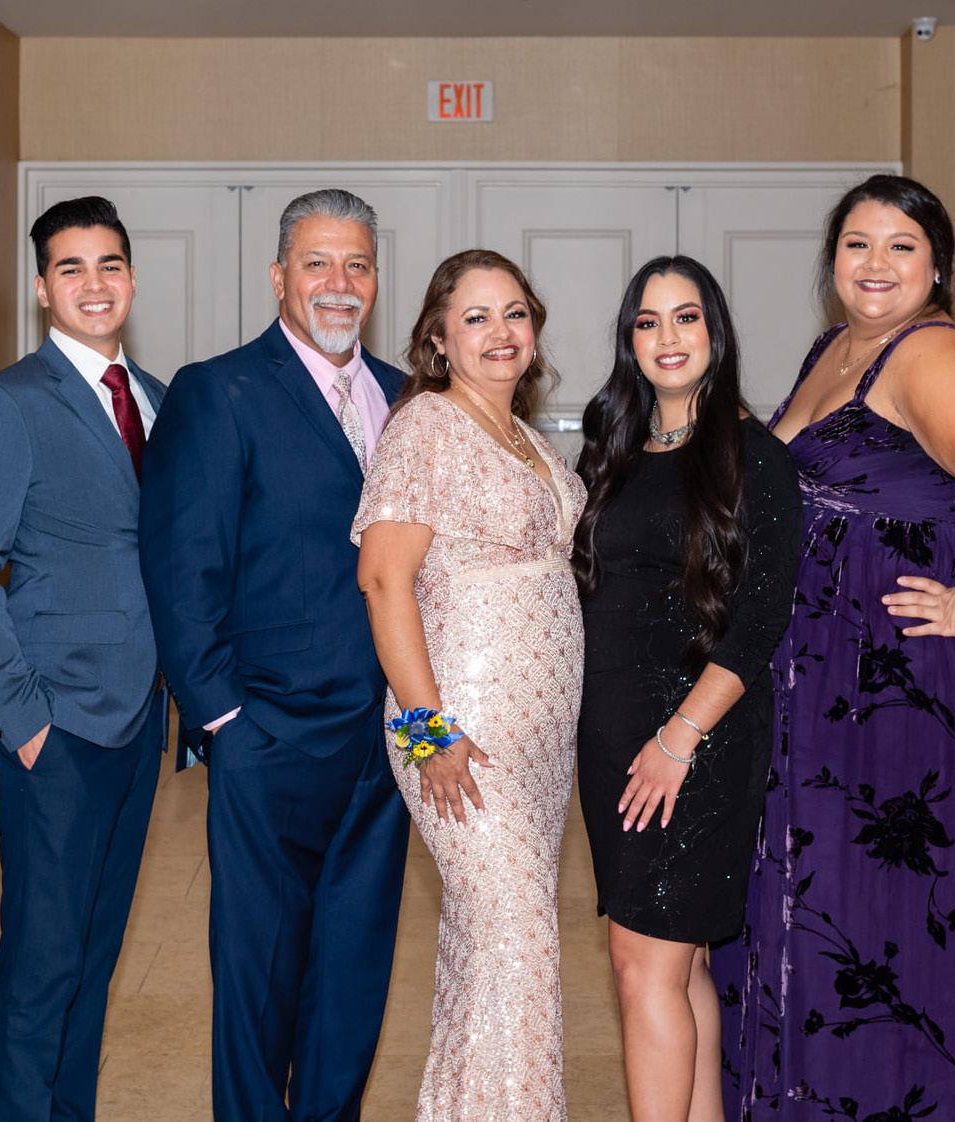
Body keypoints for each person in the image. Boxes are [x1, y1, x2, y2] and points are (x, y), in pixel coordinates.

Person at [709, 174, 955, 1119]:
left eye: (902, 246)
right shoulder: (836, 348)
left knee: (884, 917)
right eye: (857, 243)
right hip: (825, 680)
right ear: (832, 260)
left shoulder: (930, 349)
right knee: (823, 905)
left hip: (899, 687)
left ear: (938, 266)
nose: (876, 264)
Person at [139, 188, 408, 1121]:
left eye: (357, 265)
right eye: (318, 263)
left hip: (388, 742)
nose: (340, 284)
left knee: (354, 972)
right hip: (268, 734)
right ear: (278, 276)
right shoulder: (218, 391)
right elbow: (182, 566)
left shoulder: (407, 397)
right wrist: (224, 720)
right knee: (259, 977)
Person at [0, 196, 168, 1122]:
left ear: (132, 278)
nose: (94, 284)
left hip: (140, 718)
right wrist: (23, 719)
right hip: (57, 726)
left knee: (95, 958)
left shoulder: (156, 397)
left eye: (109, 264)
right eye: (71, 268)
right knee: (42, 966)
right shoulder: (9, 403)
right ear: (43, 289)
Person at [353, 248, 585, 1120]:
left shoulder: (525, 435)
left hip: (540, 739)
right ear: (439, 340)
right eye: (477, 317)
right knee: (518, 942)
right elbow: (383, 579)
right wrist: (428, 732)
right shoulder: (425, 426)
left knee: (489, 947)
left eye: (515, 313)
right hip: (459, 731)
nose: (501, 331)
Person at [571, 256, 801, 1122]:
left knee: (644, 966)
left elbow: (759, 621)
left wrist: (678, 738)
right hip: (614, 739)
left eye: (686, 317)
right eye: (648, 321)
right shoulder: (615, 450)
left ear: (716, 332)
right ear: (629, 340)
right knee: (680, 961)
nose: (667, 337)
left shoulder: (754, 457)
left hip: (694, 740)